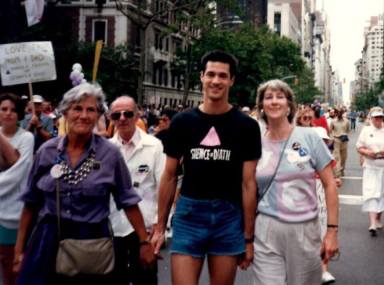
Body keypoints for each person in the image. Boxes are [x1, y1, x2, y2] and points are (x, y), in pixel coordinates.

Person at [14, 83, 156, 285]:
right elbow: (30, 203)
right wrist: (19, 251)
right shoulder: (46, 152)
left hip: (92, 245)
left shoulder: (110, 154)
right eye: (77, 108)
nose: (84, 115)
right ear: (65, 112)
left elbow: (128, 200)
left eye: (91, 110)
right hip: (47, 244)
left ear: (99, 115)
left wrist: (144, 242)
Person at [151, 50, 261, 285]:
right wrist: (160, 227)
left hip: (229, 217)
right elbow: (169, 176)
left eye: (223, 76)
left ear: (231, 80)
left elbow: (248, 183)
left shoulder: (247, 127)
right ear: (201, 77)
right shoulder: (182, 122)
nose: (216, 81)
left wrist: (248, 238)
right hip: (189, 215)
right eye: (210, 74)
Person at [252, 79, 339, 285]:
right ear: (261, 106)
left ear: (290, 105)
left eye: (280, 97)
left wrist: (332, 232)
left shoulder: (309, 137)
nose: (274, 102)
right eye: (268, 97)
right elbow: (248, 187)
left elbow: (329, 185)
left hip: (305, 229)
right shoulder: (255, 142)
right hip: (265, 229)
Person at [108, 96, 165, 285]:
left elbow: (164, 187)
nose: (122, 118)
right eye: (117, 115)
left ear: (137, 114)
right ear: (110, 118)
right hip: (114, 228)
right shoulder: (106, 150)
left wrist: (160, 225)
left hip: (146, 228)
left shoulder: (154, 145)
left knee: (146, 280)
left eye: (128, 113)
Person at [0, 93, 34, 285]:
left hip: (15, 215)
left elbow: (17, 175)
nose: (8, 113)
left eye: (13, 110)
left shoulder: (26, 138)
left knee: (12, 266)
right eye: (3, 109)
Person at [356, 106, 384, 237]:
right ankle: (372, 223)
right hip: (371, 167)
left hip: (383, 167)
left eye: (380, 117)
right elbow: (359, 146)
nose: (378, 120)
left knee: (381, 194)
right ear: (372, 118)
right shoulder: (366, 130)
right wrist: (367, 152)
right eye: (376, 117)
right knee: (371, 193)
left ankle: (378, 219)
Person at [330, 108, 350, 177]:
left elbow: (348, 130)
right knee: (337, 157)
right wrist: (332, 138)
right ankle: (337, 173)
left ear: (342, 113)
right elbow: (330, 131)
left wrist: (345, 135)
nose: (338, 114)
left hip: (344, 140)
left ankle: (342, 170)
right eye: (337, 112)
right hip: (336, 140)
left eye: (340, 112)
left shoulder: (346, 121)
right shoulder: (333, 121)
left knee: (344, 157)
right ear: (335, 113)